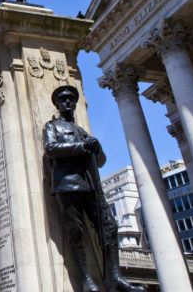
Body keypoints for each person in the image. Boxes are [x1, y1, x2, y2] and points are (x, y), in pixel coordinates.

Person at [43, 85, 144, 292]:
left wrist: (97, 148)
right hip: (67, 184)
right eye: (64, 100)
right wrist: (81, 147)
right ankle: (86, 279)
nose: (68, 102)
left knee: (110, 226)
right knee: (75, 231)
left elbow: (100, 162)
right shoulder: (52, 127)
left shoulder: (82, 132)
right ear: (58, 104)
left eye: (71, 99)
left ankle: (115, 277)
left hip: (90, 186)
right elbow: (51, 149)